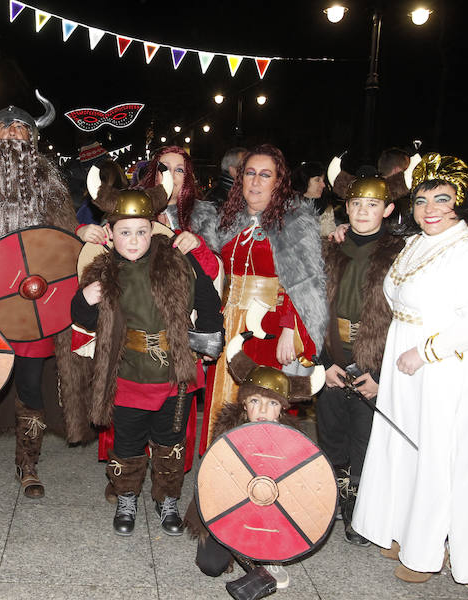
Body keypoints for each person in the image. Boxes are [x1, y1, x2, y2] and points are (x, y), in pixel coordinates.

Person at [352, 153, 468, 585]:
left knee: (437, 454)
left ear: (463, 202)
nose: (430, 209)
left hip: (449, 366)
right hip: (407, 361)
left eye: (442, 199)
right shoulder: (415, 243)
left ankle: (428, 551)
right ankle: (402, 530)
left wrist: (426, 352)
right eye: (422, 201)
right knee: (404, 447)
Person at [0, 86, 91, 500]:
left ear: (33, 140)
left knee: (31, 386)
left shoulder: (51, 190)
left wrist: (81, 237)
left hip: (37, 305)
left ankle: (27, 462)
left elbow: (63, 244)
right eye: (6, 128)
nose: (14, 134)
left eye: (22, 129)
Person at [71, 175, 223, 536]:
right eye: (125, 232)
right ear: (111, 233)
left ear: (153, 230)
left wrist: (207, 338)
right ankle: (126, 497)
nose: (134, 240)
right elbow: (83, 319)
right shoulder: (103, 270)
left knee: (170, 442)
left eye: (141, 231)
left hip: (174, 374)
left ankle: (166, 498)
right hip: (128, 374)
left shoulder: (176, 261)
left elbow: (208, 301)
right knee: (127, 442)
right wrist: (84, 300)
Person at [190, 144, 328, 450]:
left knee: (263, 403)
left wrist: (290, 329)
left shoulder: (295, 223)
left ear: (278, 181)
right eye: (249, 173)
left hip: (268, 327)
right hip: (228, 321)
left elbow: (306, 281)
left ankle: (261, 474)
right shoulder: (226, 220)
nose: (255, 181)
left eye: (265, 175)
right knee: (222, 400)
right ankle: (220, 473)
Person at [184, 340, 322, 599]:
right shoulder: (227, 431)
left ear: (282, 409)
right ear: (244, 404)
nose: (262, 410)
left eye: (272, 404)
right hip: (227, 507)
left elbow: (299, 489)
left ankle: (269, 554)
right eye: (255, 401)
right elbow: (213, 483)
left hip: (271, 509)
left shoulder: (292, 439)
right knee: (211, 565)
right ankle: (244, 550)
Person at [316, 174, 404, 546]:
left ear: (388, 209)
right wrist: (322, 363)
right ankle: (333, 496)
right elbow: (312, 308)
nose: (363, 211)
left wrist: (382, 375)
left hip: (375, 361)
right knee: (331, 435)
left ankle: (359, 506)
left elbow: (408, 319)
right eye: (355, 204)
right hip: (333, 357)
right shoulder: (328, 248)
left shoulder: (401, 254)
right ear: (345, 207)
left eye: (372, 205)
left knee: (365, 441)